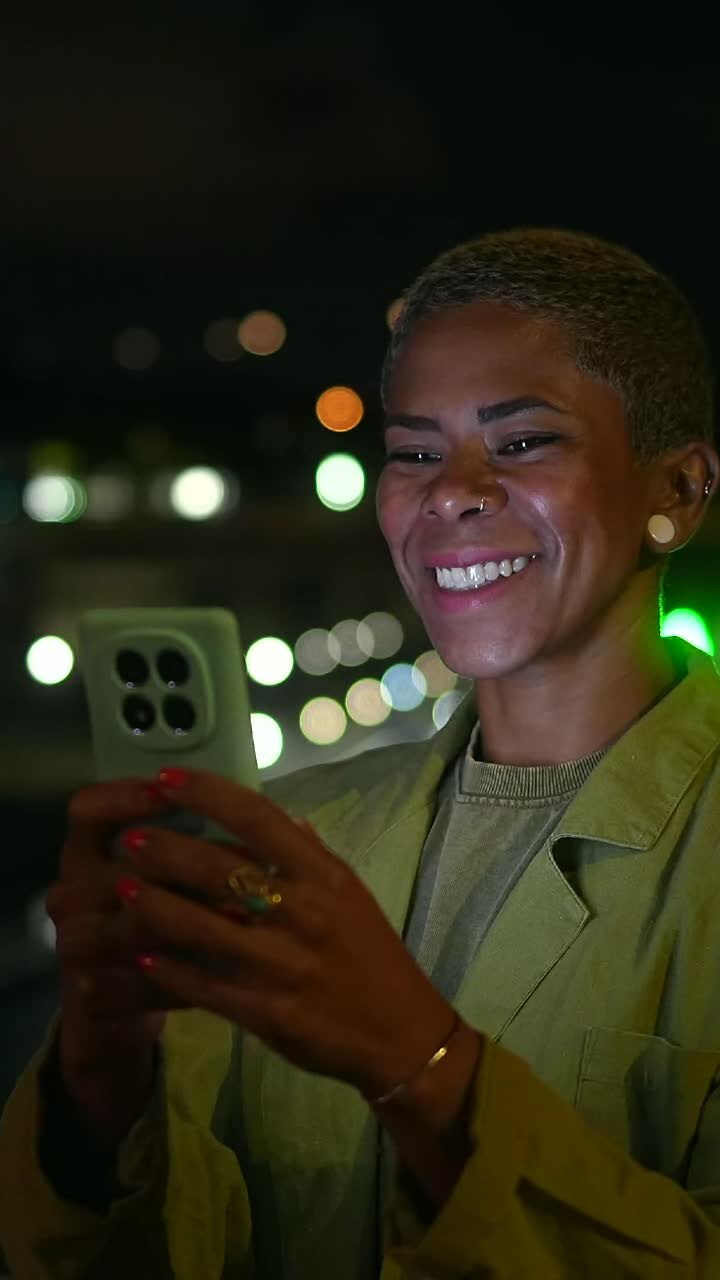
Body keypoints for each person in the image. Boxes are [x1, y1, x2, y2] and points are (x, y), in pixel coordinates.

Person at [1, 227, 720, 1280]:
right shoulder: (291, 837)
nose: (449, 492)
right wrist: (98, 1079)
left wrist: (421, 1066)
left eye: (521, 442)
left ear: (682, 489)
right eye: (414, 451)